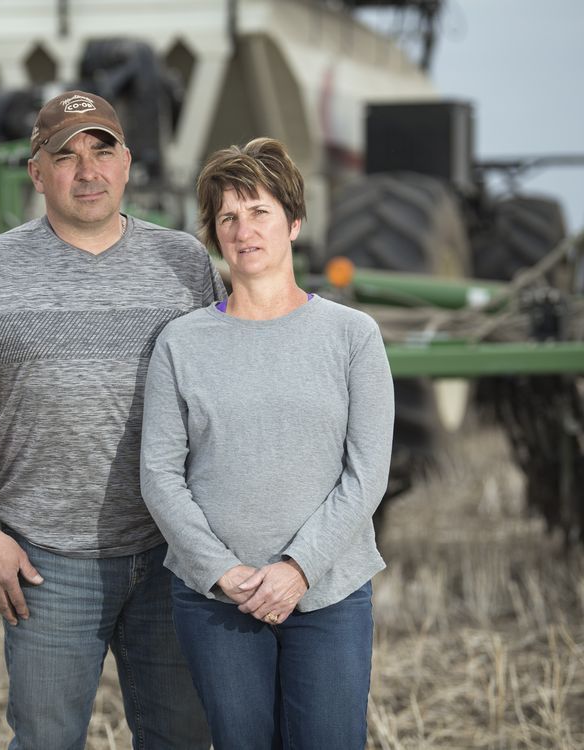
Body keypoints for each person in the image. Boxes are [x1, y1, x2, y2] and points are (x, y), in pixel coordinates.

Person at [0, 90, 222, 749]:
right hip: (45, 565)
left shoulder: (185, 264)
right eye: (67, 157)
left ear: (128, 164)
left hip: (171, 556)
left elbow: (225, 394)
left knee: (184, 739)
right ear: (36, 173)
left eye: (101, 152)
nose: (87, 171)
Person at [139, 137, 394, 750]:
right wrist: (223, 572)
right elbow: (160, 475)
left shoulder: (352, 336)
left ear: (294, 222)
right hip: (217, 600)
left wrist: (298, 568)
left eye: (258, 212)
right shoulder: (182, 342)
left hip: (328, 593)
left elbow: (367, 474)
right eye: (227, 216)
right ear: (214, 234)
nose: (242, 229)